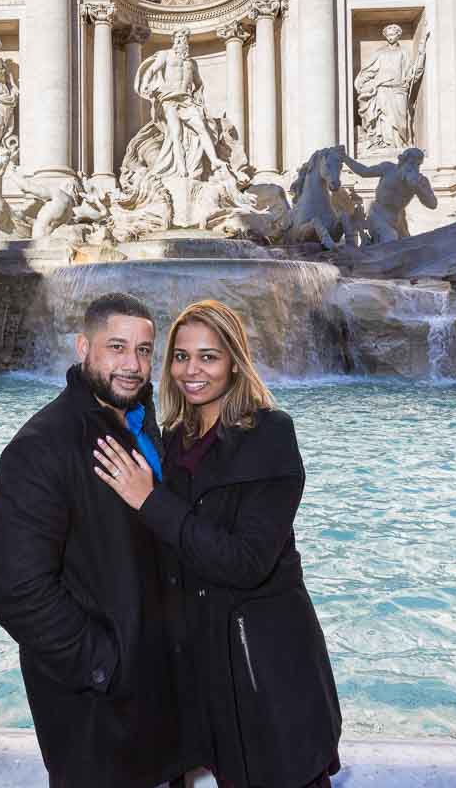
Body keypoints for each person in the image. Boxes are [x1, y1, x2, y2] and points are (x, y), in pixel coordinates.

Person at [94, 300, 342, 788]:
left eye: (208, 357)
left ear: (234, 360)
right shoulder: (174, 436)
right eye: (181, 357)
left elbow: (247, 561)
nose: (192, 371)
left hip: (262, 669)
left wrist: (151, 502)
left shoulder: (270, 433)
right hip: (202, 669)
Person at [0, 292, 184, 788]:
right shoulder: (41, 447)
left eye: (143, 350)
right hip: (97, 713)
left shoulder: (140, 424)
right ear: (83, 347)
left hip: (161, 699)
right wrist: (106, 666)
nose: (133, 365)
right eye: (116, 347)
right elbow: (17, 592)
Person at [135, 29, 226, 178]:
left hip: (186, 100)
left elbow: (199, 83)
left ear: (187, 41)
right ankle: (181, 168)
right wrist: (146, 84)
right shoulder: (166, 55)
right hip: (169, 101)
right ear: (173, 40)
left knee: (201, 128)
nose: (180, 41)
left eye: (183, 38)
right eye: (177, 38)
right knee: (175, 134)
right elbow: (151, 71)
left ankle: (214, 160)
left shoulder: (191, 63)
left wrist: (198, 98)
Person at [339, 145, 437, 243]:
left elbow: (433, 204)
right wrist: (345, 158)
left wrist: (420, 188)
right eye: (411, 163)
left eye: (418, 164)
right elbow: (364, 171)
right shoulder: (388, 168)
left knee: (409, 247)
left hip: (398, 220)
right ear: (402, 161)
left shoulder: (420, 181)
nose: (414, 167)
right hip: (378, 215)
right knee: (390, 238)